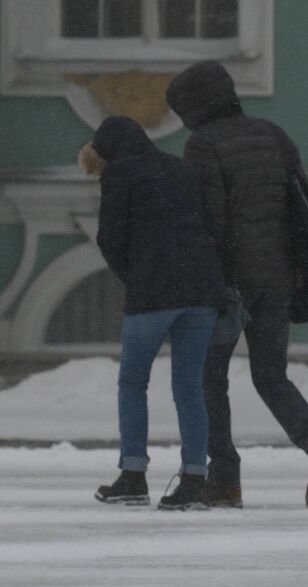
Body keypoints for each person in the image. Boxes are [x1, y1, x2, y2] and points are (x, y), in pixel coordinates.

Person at [166, 61, 308, 510]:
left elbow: (211, 219)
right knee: (270, 374)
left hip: (231, 283)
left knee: (210, 380)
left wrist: (206, 280)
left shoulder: (202, 145)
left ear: (194, 107)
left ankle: (224, 480)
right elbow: (299, 205)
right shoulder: (273, 134)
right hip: (279, 275)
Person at [82, 116, 228, 511]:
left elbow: (110, 237)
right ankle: (195, 481)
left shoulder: (120, 174)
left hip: (153, 294)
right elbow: (213, 227)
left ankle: (133, 477)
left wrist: (136, 276)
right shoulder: (182, 168)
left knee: (132, 383)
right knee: (190, 388)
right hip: (202, 292)